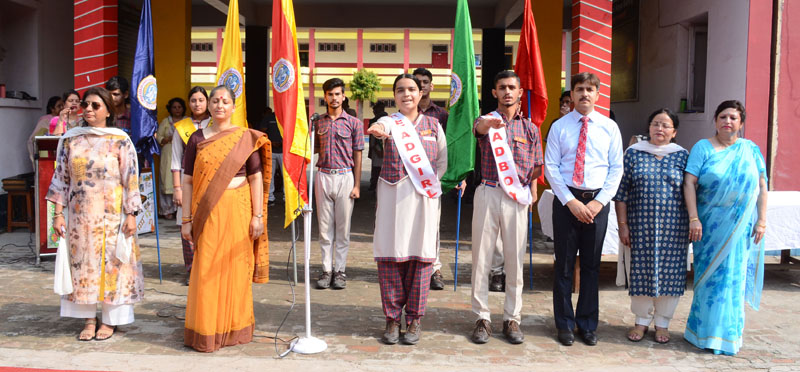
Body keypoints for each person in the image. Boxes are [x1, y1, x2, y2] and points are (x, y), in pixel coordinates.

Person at [47, 87, 143, 341]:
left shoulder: (120, 139)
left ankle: (111, 320)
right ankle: (89, 318)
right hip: (79, 217)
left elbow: (131, 179)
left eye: (95, 106)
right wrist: (57, 214)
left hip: (113, 217)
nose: (88, 110)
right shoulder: (70, 139)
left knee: (114, 267)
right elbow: (61, 178)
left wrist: (131, 214)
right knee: (83, 267)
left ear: (108, 111)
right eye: (85, 105)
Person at [180, 85, 271, 353]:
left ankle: (234, 329)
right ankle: (206, 330)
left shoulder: (245, 137)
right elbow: (186, 181)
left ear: (233, 107)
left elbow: (255, 178)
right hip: (207, 211)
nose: (220, 105)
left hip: (239, 208)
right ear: (208, 106)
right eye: (215, 101)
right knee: (206, 267)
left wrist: (258, 216)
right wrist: (186, 219)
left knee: (235, 267)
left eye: (225, 101)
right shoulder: (196, 139)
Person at [367, 74, 447, 345]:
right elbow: (380, 126)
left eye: (412, 89)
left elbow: (442, 163)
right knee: (390, 256)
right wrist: (378, 131)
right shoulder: (390, 122)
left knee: (421, 258)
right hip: (393, 199)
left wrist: (429, 188)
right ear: (395, 95)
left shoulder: (434, 125)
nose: (407, 94)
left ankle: (414, 319)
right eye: (400, 90)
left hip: (423, 200)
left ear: (420, 92)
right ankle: (391, 318)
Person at [545, 72, 623, 346]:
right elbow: (551, 167)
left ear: (598, 94)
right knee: (564, 266)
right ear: (573, 94)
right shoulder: (559, 127)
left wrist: (598, 202)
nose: (585, 94)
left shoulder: (609, 127)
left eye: (590, 89)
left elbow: (616, 168)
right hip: (567, 201)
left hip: (597, 202)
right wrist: (571, 201)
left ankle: (588, 324)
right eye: (579, 89)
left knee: (591, 267)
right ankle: (564, 324)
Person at [683, 100, 767, 356]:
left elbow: (762, 186)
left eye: (733, 117)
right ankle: (701, 333)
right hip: (709, 227)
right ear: (715, 120)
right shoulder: (703, 148)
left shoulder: (750, 150)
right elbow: (689, 183)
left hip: (741, 228)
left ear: (741, 122)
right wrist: (694, 218)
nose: (727, 121)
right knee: (709, 280)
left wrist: (762, 220)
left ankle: (728, 336)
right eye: (722, 117)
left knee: (734, 280)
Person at [468, 71, 543, 345]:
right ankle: (482, 318)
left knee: (514, 260)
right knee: (481, 259)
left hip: (517, 197)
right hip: (488, 191)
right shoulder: (487, 121)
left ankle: (512, 318)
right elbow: (478, 130)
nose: (507, 92)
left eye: (512, 87)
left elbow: (537, 167)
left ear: (520, 92)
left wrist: (529, 188)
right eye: (502, 88)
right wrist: (488, 125)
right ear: (494, 92)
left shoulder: (530, 128)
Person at [613, 108, 689, 344]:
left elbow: (691, 190)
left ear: (674, 132)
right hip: (640, 227)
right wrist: (623, 225)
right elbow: (621, 193)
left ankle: (663, 323)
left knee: (671, 275)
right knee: (641, 272)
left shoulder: (683, 156)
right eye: (656, 123)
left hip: (674, 229)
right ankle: (641, 321)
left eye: (666, 125)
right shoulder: (633, 154)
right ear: (649, 128)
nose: (660, 129)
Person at [313, 78, 364, 290]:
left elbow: (359, 155)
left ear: (344, 96)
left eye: (337, 94)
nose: (334, 98)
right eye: (330, 94)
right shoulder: (318, 122)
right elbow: (313, 149)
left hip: (345, 176)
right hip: (323, 175)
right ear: (324, 97)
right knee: (324, 229)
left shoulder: (354, 123)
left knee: (343, 228)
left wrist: (357, 185)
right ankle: (326, 270)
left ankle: (340, 270)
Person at [413, 67, 449, 290]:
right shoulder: (405, 114)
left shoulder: (442, 115)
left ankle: (435, 268)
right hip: (408, 180)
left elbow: (448, 149)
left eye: (426, 81)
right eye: (418, 82)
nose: (422, 85)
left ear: (431, 86)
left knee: (432, 226)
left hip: (432, 180)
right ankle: (415, 265)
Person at [171, 87, 212, 284]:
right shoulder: (181, 127)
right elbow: (175, 160)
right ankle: (191, 268)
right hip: (187, 183)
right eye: (194, 100)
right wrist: (177, 188)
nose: (197, 104)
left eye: (201, 100)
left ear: (207, 102)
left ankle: (208, 268)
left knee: (209, 224)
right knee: (185, 224)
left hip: (210, 181)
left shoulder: (215, 124)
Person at [156, 97, 186, 219]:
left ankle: (179, 209)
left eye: (179, 107)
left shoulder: (187, 121)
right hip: (168, 152)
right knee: (167, 180)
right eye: (174, 107)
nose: (177, 109)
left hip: (183, 152)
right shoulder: (165, 122)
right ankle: (167, 210)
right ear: (170, 109)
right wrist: (167, 139)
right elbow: (159, 137)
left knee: (182, 178)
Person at [258, 107, 283, 206]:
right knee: (270, 175)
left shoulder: (286, 118)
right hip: (270, 151)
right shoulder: (268, 118)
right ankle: (270, 198)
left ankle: (287, 198)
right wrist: (271, 143)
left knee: (286, 176)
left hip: (284, 151)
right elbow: (262, 132)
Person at [28, 95, 63, 165]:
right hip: (48, 153)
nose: (62, 108)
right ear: (52, 109)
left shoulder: (64, 119)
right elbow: (33, 139)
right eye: (59, 106)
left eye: (63, 105)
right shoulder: (45, 121)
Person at [368, 102, 388, 192]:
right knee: (376, 168)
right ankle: (374, 185)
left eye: (375, 110)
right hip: (376, 150)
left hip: (381, 149)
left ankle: (376, 186)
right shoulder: (373, 121)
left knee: (378, 169)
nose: (374, 111)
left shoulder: (386, 121)